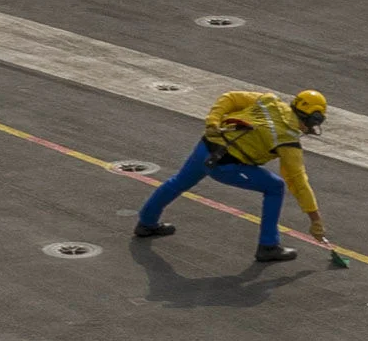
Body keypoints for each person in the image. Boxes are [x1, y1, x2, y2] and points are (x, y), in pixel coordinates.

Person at [134, 89, 331, 263]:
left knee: (178, 182)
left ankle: (146, 222)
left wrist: (212, 121)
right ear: (313, 119)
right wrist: (315, 219)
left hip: (207, 147)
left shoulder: (269, 101)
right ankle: (268, 246)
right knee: (275, 187)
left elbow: (229, 98)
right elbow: (298, 181)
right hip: (225, 166)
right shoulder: (288, 140)